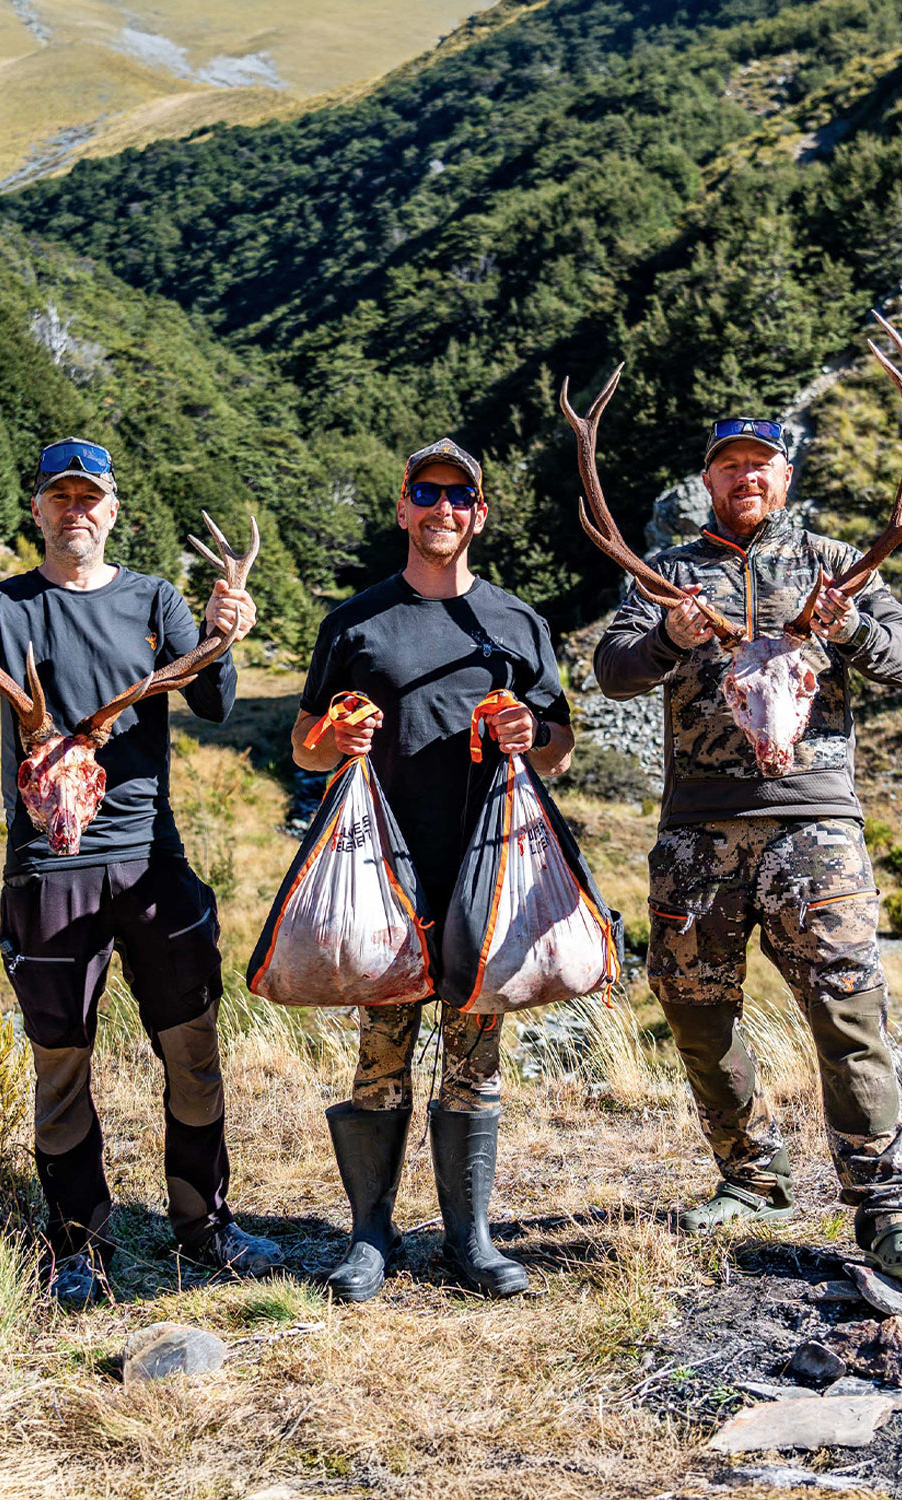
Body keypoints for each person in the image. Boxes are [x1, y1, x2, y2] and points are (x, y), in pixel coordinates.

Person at [0, 438, 281, 1304]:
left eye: (90, 497)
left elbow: (214, 701)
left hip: (151, 860)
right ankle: (78, 1246)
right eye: (60, 497)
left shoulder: (155, 600)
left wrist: (223, 637)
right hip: (48, 866)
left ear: (113, 510)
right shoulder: (0, 607)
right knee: (61, 1062)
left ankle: (205, 1226)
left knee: (192, 1048)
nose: (75, 510)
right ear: (37, 510)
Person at [593, 418, 902, 1286]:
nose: (745, 476)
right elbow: (613, 669)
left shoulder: (838, 563)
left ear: (785, 477)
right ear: (708, 481)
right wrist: (669, 639)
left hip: (815, 826)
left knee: (846, 1010)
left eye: (761, 464)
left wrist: (851, 627)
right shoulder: (667, 574)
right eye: (729, 465)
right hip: (698, 831)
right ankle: (752, 1179)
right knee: (695, 1009)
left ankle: (888, 1209)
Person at [292, 438, 574, 1300]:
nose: (441, 508)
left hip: (485, 870)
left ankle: (470, 1239)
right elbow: (304, 745)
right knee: (381, 1055)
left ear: (479, 514)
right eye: (426, 493)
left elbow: (559, 748)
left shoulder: (517, 624)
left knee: (474, 1057)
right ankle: (370, 1238)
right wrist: (334, 737)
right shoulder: (356, 622)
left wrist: (533, 733)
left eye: (458, 496)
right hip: (380, 869)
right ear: (403, 508)